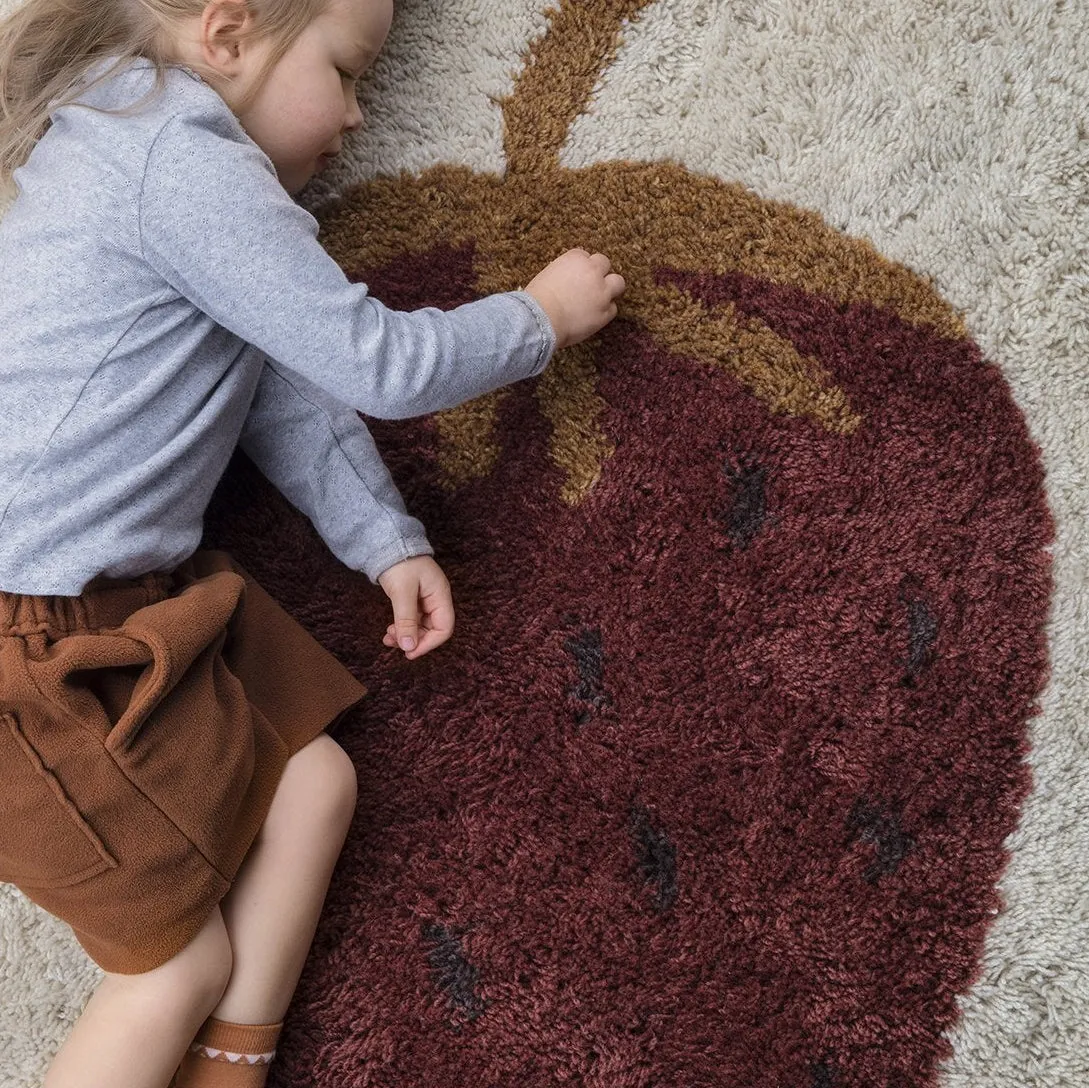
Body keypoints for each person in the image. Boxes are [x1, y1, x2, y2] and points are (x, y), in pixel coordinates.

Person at [0, 0, 626, 1083]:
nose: (355, 114)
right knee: (172, 967)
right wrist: (540, 316)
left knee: (313, 782)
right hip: (34, 646)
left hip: (119, 609)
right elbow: (373, 363)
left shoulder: (139, 143)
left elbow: (280, 386)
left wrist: (385, 538)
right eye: (346, 72)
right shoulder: (169, 151)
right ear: (229, 32)